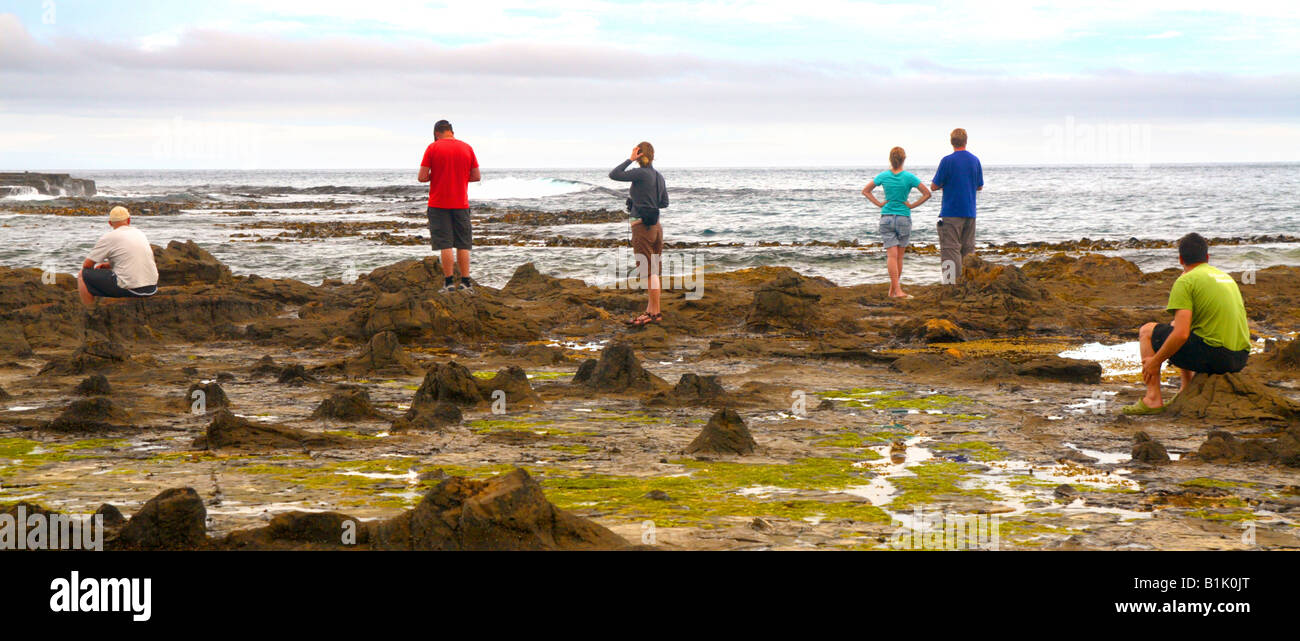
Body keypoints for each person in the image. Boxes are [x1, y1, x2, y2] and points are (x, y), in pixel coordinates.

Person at [1124, 233, 1251, 415]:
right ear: (1207, 257)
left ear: (1180, 259)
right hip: (1240, 358)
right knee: (1177, 324)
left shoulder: (1185, 281)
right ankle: (1186, 388)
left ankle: (1152, 399)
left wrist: (1155, 361)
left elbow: (1182, 334)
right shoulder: (1225, 278)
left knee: (1147, 331)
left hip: (1216, 357)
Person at [609, 141, 669, 326]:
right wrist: (639, 202)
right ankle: (651, 312)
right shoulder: (658, 176)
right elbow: (664, 203)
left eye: (636, 154)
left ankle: (655, 314)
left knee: (648, 272)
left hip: (643, 228)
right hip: (656, 227)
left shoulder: (641, 173)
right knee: (653, 272)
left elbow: (614, 174)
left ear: (639, 154)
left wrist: (629, 159)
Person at [418, 119, 481, 294]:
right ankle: (466, 282)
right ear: (451, 131)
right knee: (463, 243)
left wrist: (437, 176)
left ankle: (448, 284)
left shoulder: (433, 148)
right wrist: (459, 177)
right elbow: (476, 176)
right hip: (460, 203)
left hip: (438, 204)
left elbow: (422, 177)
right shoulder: (467, 147)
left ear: (437, 133)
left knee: (445, 243)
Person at [863, 146, 931, 298]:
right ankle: (897, 291)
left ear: (890, 159)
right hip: (903, 218)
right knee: (899, 257)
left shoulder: (883, 176)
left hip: (886, 217)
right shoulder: (909, 177)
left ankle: (892, 291)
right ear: (904, 159)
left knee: (891, 256)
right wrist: (912, 205)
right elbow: (927, 193)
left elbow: (866, 191)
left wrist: (880, 204)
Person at [929, 128, 983, 284]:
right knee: (968, 249)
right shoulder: (975, 160)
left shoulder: (947, 160)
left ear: (952, 142)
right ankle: (968, 282)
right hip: (970, 211)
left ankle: (950, 283)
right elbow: (979, 186)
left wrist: (946, 184)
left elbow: (934, 186)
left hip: (951, 211)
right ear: (966, 141)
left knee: (949, 249)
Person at [77, 206, 159, 306]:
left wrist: (95, 276)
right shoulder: (139, 233)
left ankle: (90, 311)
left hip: (132, 290)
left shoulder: (109, 237)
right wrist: (107, 266)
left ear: (110, 223)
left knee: (82, 275)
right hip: (152, 288)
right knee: (109, 275)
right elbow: (130, 259)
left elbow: (87, 265)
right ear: (129, 220)